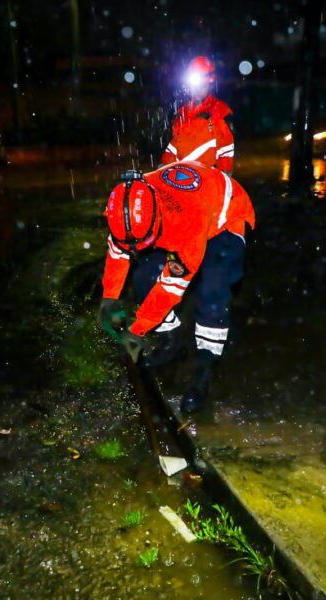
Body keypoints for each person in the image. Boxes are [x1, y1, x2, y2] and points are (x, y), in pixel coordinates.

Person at [98, 161, 255, 413]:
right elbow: (119, 254)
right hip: (188, 207)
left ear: (158, 219)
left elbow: (170, 288)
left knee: (212, 289)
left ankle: (205, 366)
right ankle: (172, 341)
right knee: (143, 276)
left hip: (226, 217)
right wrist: (109, 299)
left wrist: (137, 330)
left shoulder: (187, 224)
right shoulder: (127, 205)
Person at [160, 56, 235, 174]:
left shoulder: (219, 111)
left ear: (210, 83)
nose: (197, 90)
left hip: (207, 180)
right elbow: (174, 146)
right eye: (195, 86)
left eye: (201, 86)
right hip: (181, 179)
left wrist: (223, 176)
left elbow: (226, 148)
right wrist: (163, 170)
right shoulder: (183, 112)